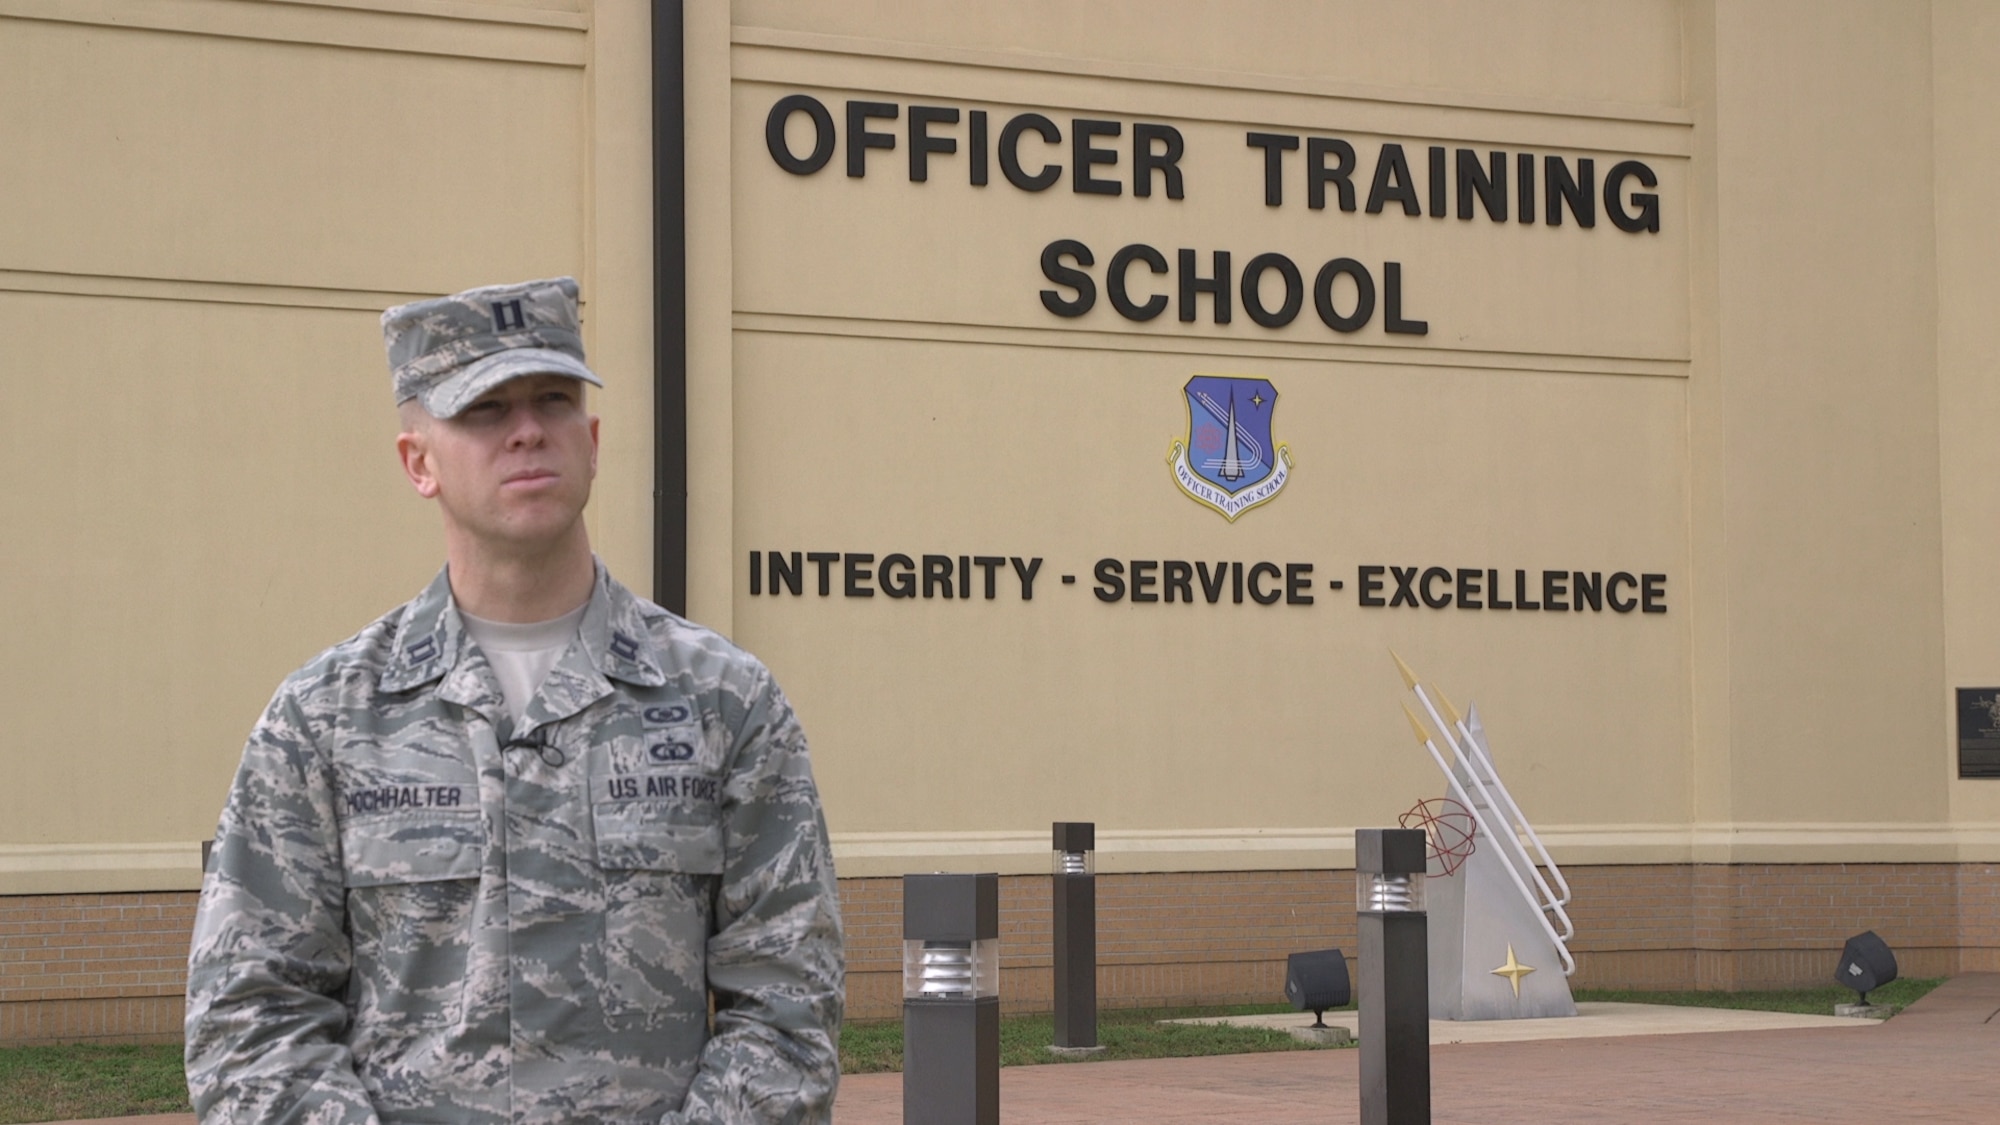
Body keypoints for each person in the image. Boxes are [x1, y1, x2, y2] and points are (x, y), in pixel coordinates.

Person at [184, 277, 844, 1125]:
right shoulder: (327, 718)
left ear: (594, 440)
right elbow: (250, 1012)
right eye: (485, 410)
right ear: (417, 461)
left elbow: (788, 1006)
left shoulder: (723, 703)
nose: (527, 429)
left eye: (553, 400)